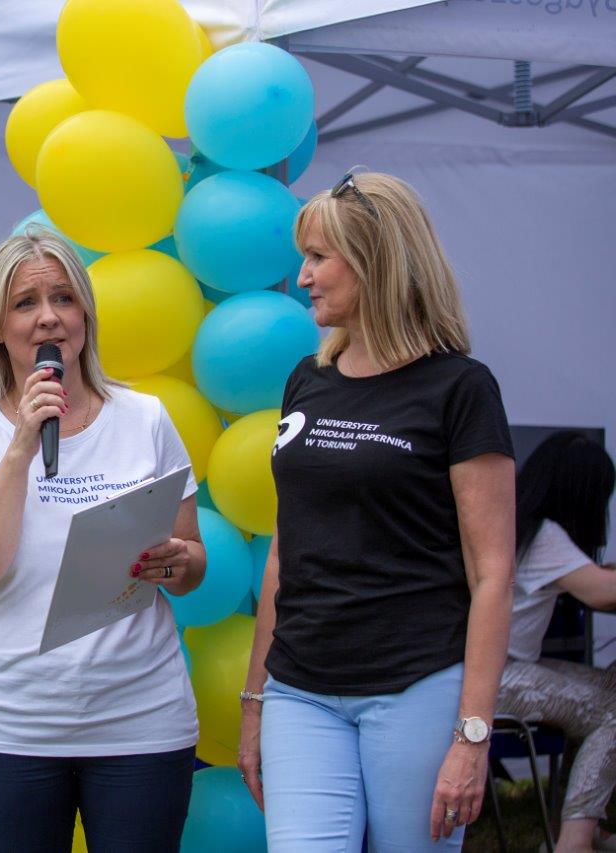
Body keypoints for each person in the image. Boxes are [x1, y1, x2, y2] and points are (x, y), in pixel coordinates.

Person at [239, 171, 517, 850]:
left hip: (416, 683)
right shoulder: (307, 380)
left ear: (376, 260)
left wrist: (472, 736)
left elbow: (493, 574)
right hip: (300, 686)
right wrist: (255, 698)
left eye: (318, 257)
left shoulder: (460, 388)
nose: (303, 277)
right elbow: (285, 550)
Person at [0, 231, 207, 853]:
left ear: (85, 314)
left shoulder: (145, 418)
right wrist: (21, 446)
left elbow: (193, 562)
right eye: (25, 303)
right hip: (10, 724)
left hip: (140, 720)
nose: (49, 316)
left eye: (63, 297)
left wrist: (178, 562)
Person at [497, 432, 616, 853]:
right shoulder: (544, 535)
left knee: (610, 687)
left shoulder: (520, 522)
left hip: (497, 669)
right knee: (612, 711)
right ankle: (573, 842)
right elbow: (602, 593)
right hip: (496, 678)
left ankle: (584, 821)